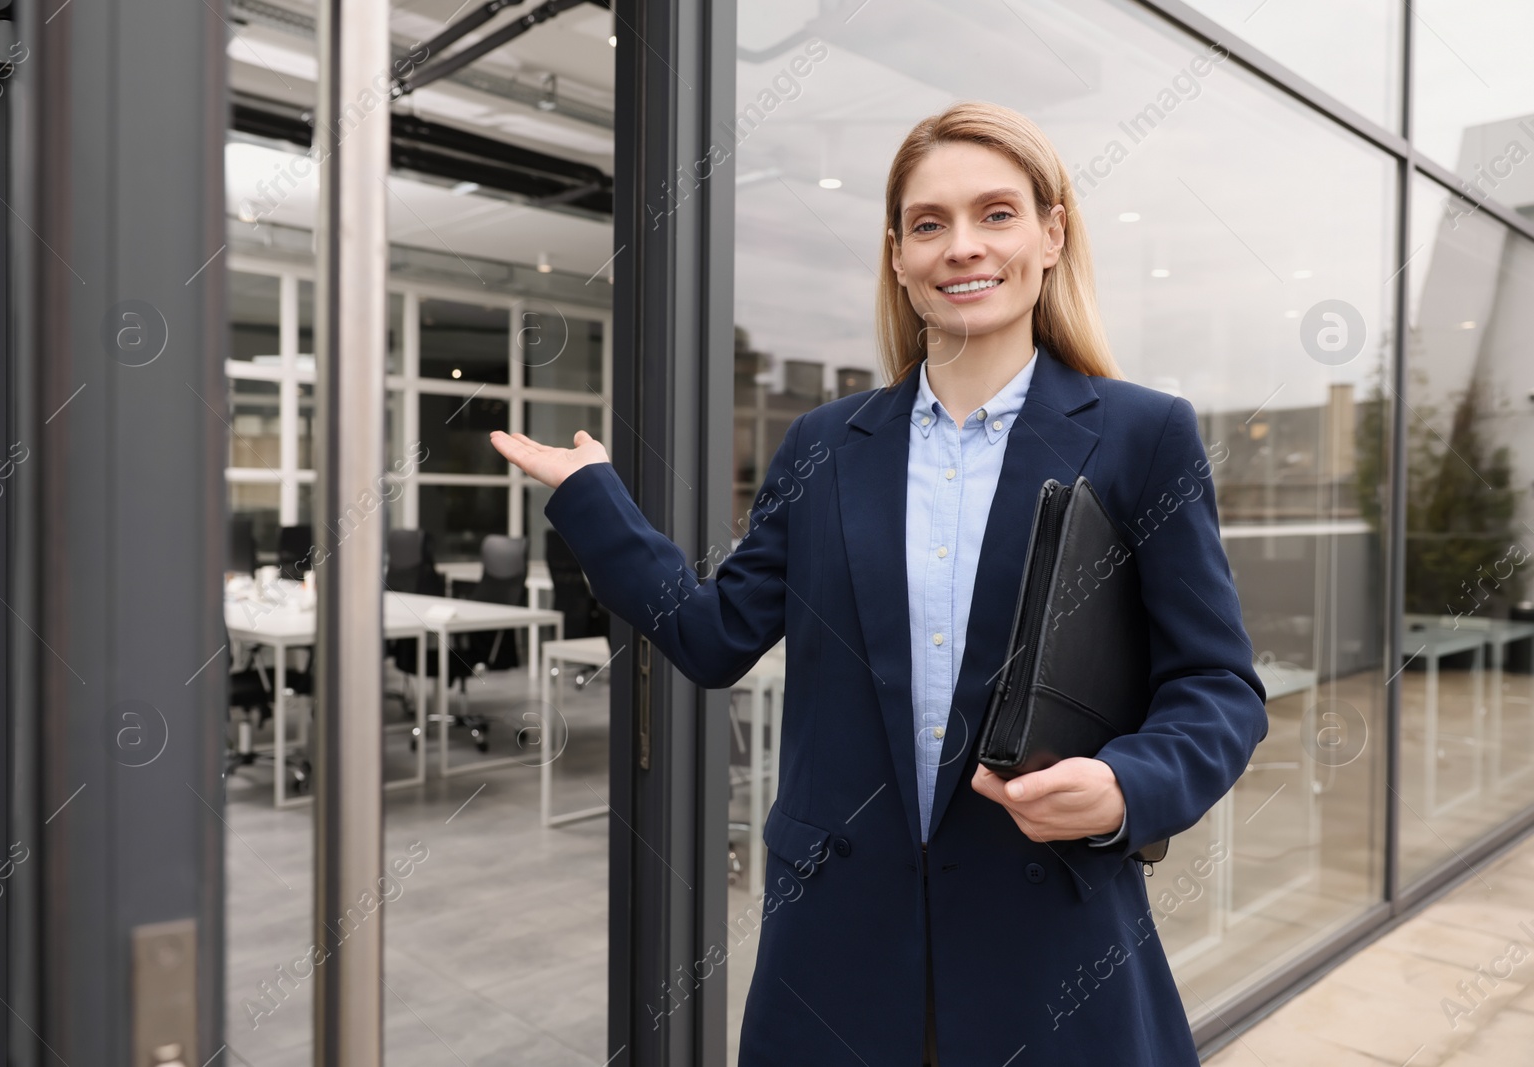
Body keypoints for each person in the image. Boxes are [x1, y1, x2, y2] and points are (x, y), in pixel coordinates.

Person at [490, 100, 1267, 1067]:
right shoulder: (826, 444)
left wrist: (1125, 785)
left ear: (1052, 235)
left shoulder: (1145, 436)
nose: (962, 247)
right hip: (837, 945)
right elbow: (715, 633)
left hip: (1050, 938)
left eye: (996, 214)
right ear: (897, 255)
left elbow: (1217, 690)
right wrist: (593, 500)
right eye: (928, 223)